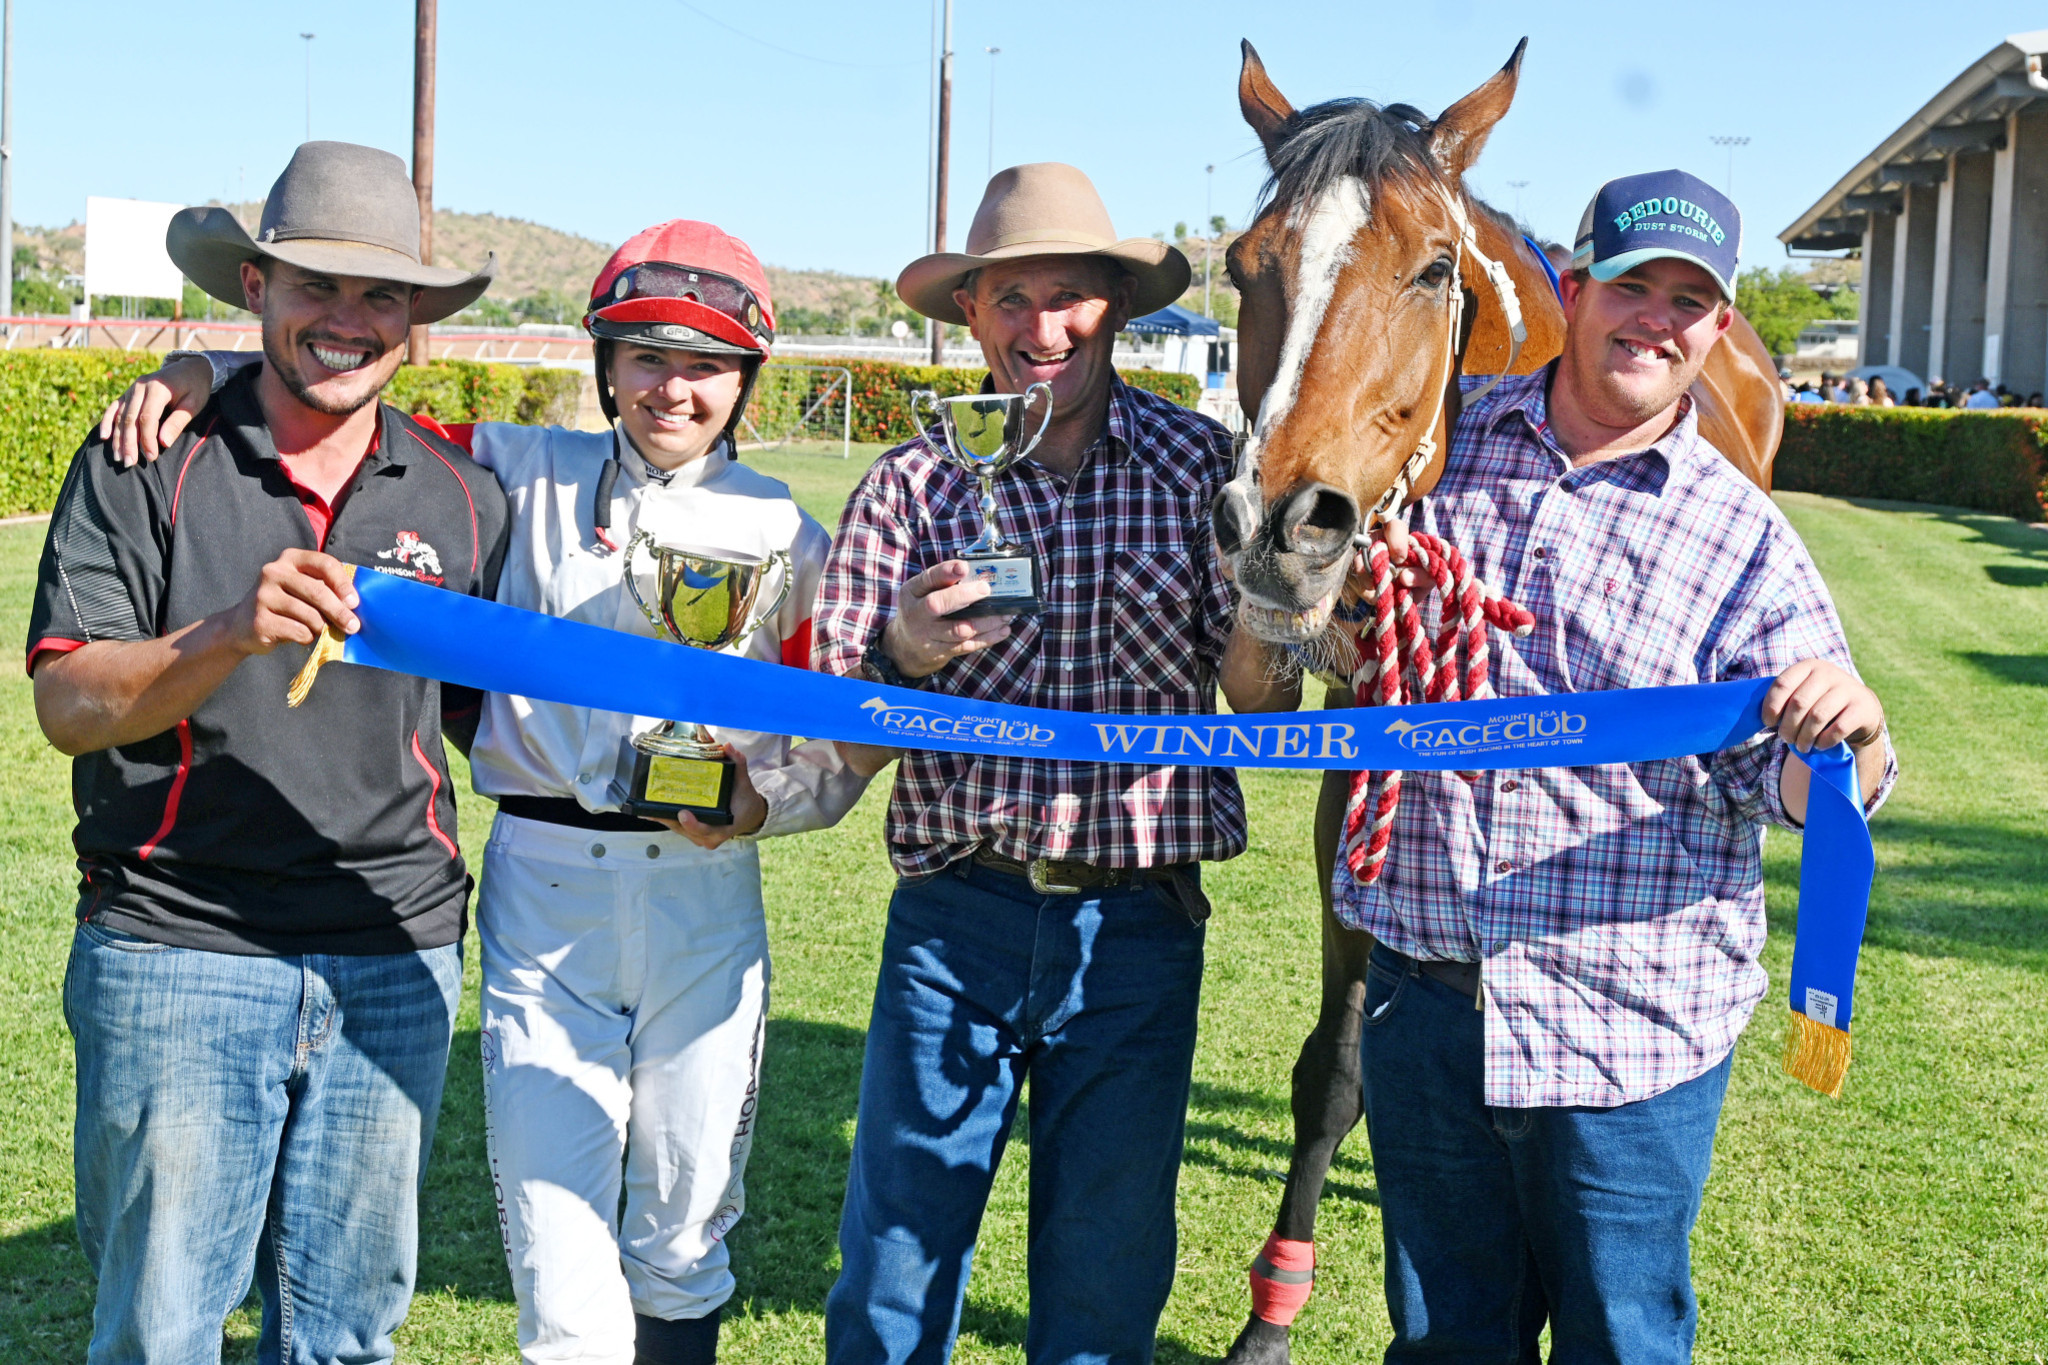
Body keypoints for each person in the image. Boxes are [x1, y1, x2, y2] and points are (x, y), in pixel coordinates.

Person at [107, 220, 879, 1365]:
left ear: (746, 377)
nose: (674, 387)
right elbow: (335, 392)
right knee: (559, 1257)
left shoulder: (789, 529)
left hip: (705, 893)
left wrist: (764, 803)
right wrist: (194, 371)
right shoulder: (515, 464)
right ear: (605, 364)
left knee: (684, 1220)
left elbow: (836, 736)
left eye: (707, 363)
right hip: (544, 879)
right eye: (647, 356)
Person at [1314, 169, 1896, 1360]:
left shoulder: (1743, 541)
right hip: (1425, 1006)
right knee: (1440, 1345)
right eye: (1633, 286)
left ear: (1717, 328)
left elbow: (1797, 790)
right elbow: (1320, 606)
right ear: (1571, 291)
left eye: (1690, 301)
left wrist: (1849, 738)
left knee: (1619, 1343)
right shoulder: (1440, 449)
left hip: (1627, 1035)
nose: (1657, 319)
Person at [29, 141, 509, 1364]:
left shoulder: (464, 491)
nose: (346, 321)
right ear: (255, 290)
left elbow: (477, 719)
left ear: (415, 319)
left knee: (348, 1335)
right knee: (163, 1331)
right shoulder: (146, 457)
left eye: (380, 295)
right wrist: (226, 632)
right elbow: (70, 707)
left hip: (394, 956)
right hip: (177, 947)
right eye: (315, 286)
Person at [811, 162, 1291, 1362]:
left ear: (1116, 310)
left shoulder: (1201, 469)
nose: (1043, 327)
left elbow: (1257, 698)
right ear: (969, 315)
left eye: (1069, 296)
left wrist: (1267, 599)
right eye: (1011, 299)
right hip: (952, 918)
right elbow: (832, 720)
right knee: (894, 1262)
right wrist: (902, 648)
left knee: (1105, 1273)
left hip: (1135, 928)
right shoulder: (913, 481)